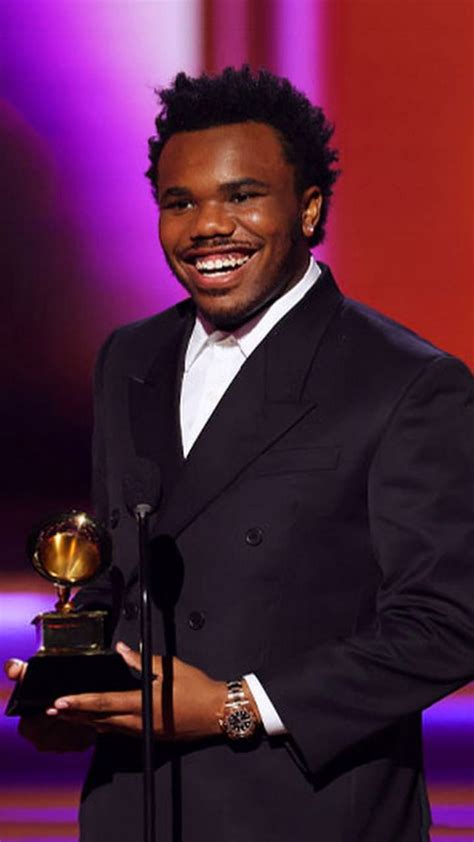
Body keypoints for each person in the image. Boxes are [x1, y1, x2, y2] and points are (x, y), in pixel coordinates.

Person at [6, 66, 474, 842]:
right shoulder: (129, 357)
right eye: (179, 202)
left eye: (241, 196)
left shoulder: (406, 382)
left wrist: (237, 703)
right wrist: (70, 693)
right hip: (137, 804)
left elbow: (447, 624)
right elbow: (114, 573)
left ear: (311, 209)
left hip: (304, 809)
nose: (206, 227)